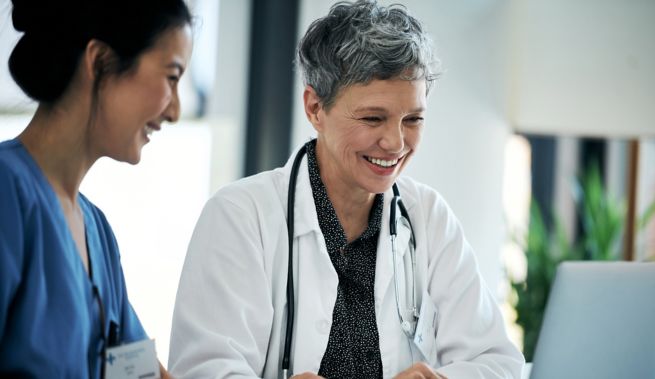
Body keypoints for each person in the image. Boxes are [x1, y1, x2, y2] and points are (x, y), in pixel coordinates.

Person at [169, 1, 524, 378]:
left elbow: (498, 362)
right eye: (373, 118)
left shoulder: (429, 218)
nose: (395, 142)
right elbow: (202, 370)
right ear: (315, 108)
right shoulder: (241, 217)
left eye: (413, 119)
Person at [0, 0, 192, 377]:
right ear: (100, 60)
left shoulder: (98, 233)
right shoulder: (8, 195)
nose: (175, 111)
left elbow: (139, 373)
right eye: (171, 77)